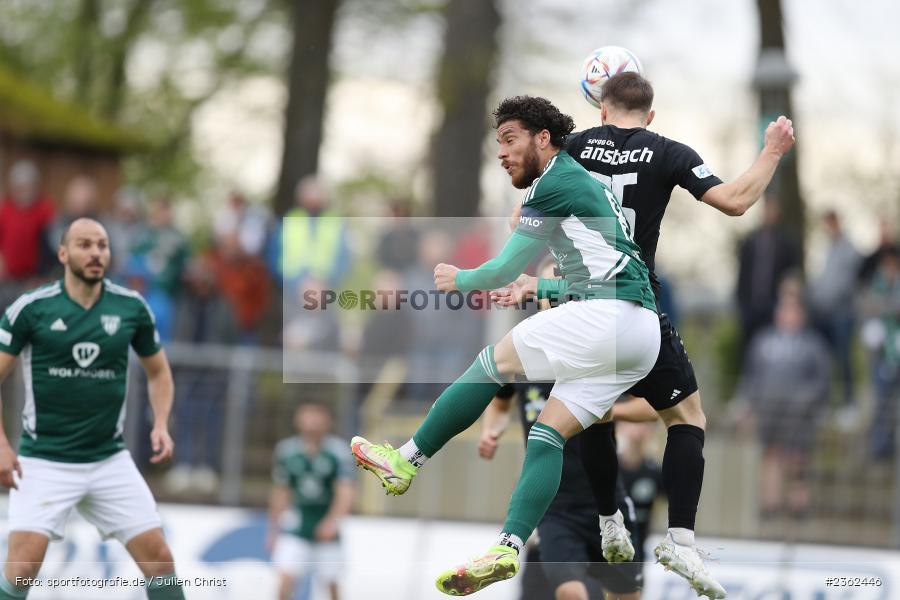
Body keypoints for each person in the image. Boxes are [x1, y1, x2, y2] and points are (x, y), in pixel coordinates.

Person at [495, 72, 794, 598]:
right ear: (650, 115)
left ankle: (610, 518)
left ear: (601, 109)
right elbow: (735, 201)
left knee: (588, 404)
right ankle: (679, 539)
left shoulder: (577, 146)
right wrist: (771, 151)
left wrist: (536, 280)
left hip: (579, 303)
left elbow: (526, 212)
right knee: (687, 417)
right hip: (635, 308)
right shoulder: (669, 151)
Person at [352, 95, 661, 596]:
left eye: (510, 138)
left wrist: (462, 277)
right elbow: (605, 277)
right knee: (547, 434)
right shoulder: (575, 185)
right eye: (498, 143)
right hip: (637, 333)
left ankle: (406, 459)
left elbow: (495, 269)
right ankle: (508, 546)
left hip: (609, 320)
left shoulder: (556, 179)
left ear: (544, 139)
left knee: (493, 361)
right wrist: (541, 287)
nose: (502, 152)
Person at [0, 218, 184, 599]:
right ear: (64, 253)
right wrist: (1, 445)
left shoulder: (131, 308)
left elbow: (159, 373)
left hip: (107, 459)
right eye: (85, 244)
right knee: (20, 570)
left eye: (102, 245)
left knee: (160, 560)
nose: (96, 252)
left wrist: (161, 424)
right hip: (44, 459)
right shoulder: (31, 309)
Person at [478, 259, 643, 600]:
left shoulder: (601, 348)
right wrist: (491, 430)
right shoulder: (525, 349)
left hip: (604, 502)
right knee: (570, 592)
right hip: (553, 507)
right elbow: (501, 398)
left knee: (626, 594)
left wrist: (607, 410)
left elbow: (655, 407)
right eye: (549, 288)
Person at [737, 288, 830, 520]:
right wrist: (747, 406)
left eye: (792, 309)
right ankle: (771, 505)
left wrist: (805, 401)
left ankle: (799, 506)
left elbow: (822, 380)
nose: (787, 314)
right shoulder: (763, 341)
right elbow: (751, 377)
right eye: (783, 309)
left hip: (800, 415)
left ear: (801, 314)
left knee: (799, 458)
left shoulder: (813, 345)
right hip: (770, 412)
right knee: (771, 456)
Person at [269, 403, 356, 600]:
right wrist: (273, 528)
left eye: (317, 417)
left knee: (331, 582)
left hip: (326, 528)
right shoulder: (286, 451)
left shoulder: (338, 452)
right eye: (307, 416)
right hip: (298, 526)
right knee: (285, 579)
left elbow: (346, 491)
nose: (312, 423)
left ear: (327, 421)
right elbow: (281, 491)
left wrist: (332, 522)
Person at [809, 210, 861, 408]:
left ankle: (849, 403)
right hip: (825, 313)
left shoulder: (849, 249)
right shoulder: (828, 250)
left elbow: (845, 285)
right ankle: (827, 402)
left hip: (842, 314)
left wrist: (824, 298)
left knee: (844, 359)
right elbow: (823, 281)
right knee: (823, 360)